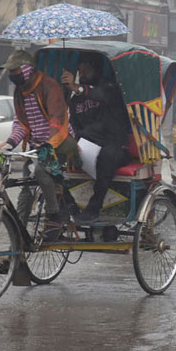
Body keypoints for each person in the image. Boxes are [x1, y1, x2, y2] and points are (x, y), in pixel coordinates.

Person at [0, 50, 78, 241]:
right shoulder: (20, 93)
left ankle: (54, 216)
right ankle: (17, 243)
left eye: (16, 71)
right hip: (35, 148)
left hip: (60, 143)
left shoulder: (50, 86)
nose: (13, 76)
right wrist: (9, 143)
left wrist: (48, 145)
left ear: (28, 69)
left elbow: (57, 122)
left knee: (41, 171)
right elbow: (21, 125)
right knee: (25, 192)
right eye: (11, 73)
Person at [61, 52, 132, 223]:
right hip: (87, 146)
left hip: (114, 145)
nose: (82, 72)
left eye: (86, 69)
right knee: (53, 159)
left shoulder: (110, 87)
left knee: (106, 157)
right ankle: (68, 206)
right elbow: (75, 125)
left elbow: (99, 95)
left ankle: (94, 208)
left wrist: (77, 88)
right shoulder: (75, 99)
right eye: (80, 69)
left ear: (96, 69)